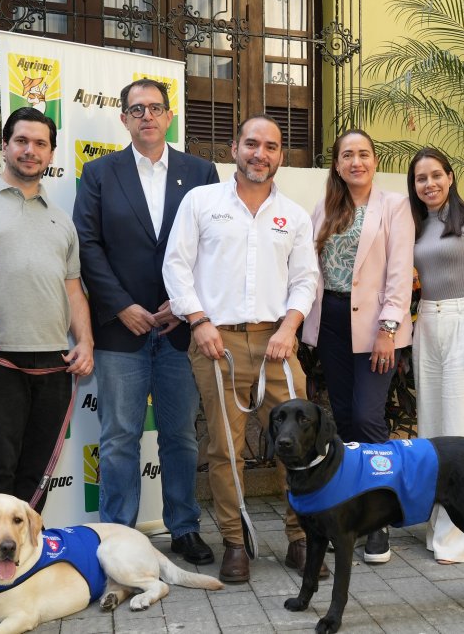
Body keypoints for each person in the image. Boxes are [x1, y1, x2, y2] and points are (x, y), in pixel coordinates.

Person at [164, 114, 321, 583]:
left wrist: (289, 327)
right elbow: (177, 265)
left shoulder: (292, 214)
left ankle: (300, 538)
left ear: (280, 156)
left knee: (301, 444)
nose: (261, 154)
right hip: (217, 342)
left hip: (277, 340)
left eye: (271, 147)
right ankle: (235, 542)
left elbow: (305, 279)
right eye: (252, 144)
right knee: (225, 448)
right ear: (234, 148)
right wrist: (198, 321)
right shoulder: (201, 201)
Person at [72, 78, 218, 566]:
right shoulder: (98, 173)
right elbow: (86, 244)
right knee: (118, 439)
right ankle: (117, 536)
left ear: (169, 115)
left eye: (156, 108)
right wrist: (119, 305)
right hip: (121, 329)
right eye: (137, 110)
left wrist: (184, 306)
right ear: (124, 119)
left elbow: (214, 246)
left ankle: (185, 528)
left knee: (181, 435)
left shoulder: (201, 172)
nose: (147, 116)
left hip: (181, 330)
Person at [0, 107, 94, 512]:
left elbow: (73, 289)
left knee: (37, 470)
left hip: (54, 362)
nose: (30, 150)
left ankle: (25, 559)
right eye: (21, 141)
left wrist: (85, 341)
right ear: (4, 145)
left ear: (51, 155)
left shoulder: (61, 220)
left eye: (40, 144)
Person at [301, 129, 414, 563]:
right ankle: (350, 513)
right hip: (330, 321)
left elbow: (400, 274)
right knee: (345, 420)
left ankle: (380, 519)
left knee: (369, 419)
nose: (356, 162)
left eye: (363, 154)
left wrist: (388, 328)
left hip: (375, 328)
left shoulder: (394, 206)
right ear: (336, 163)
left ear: (375, 159)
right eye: (347, 155)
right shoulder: (325, 208)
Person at [406, 147, 464, 565]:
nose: (430, 184)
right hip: (427, 323)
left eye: (436, 175)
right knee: (433, 430)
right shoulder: (419, 224)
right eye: (421, 178)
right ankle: (438, 527)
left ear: (451, 176)